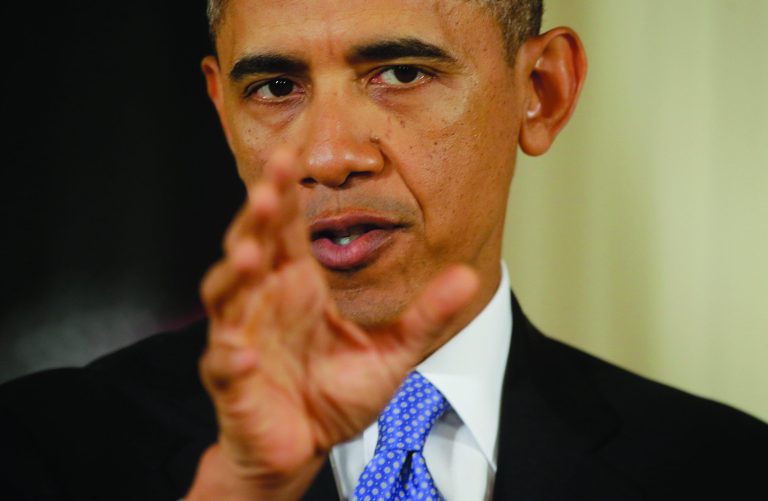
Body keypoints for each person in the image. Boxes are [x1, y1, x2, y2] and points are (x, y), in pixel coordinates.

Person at [0, 0, 766, 500]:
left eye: (400, 73)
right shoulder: (39, 451)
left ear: (543, 90)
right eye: (273, 87)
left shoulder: (724, 471)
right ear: (221, 113)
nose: (329, 155)